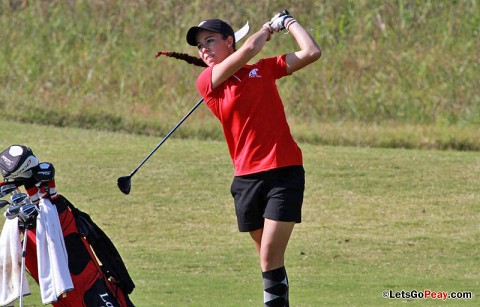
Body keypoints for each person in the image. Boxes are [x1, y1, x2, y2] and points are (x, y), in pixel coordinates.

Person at [184, 11, 321, 306]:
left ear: (228, 41)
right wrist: (268, 28)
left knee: (270, 253)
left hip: (284, 171)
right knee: (268, 260)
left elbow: (311, 52)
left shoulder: (263, 70)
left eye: (210, 41)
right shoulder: (207, 81)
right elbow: (249, 49)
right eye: (200, 46)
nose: (204, 50)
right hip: (246, 180)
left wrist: (288, 23)